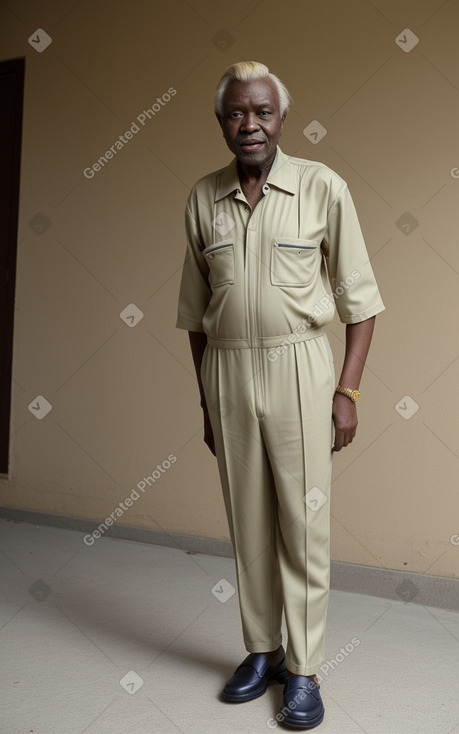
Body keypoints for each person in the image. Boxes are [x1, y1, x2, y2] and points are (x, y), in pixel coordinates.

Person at [176, 61, 384, 730]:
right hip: (228, 374)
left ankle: (304, 669)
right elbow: (194, 315)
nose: (250, 123)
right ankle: (262, 651)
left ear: (281, 118)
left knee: (303, 523)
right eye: (237, 112)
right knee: (248, 521)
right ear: (221, 122)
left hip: (301, 369)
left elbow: (361, 302)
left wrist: (346, 390)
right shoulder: (202, 198)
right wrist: (207, 402)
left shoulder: (322, 187)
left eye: (262, 111)